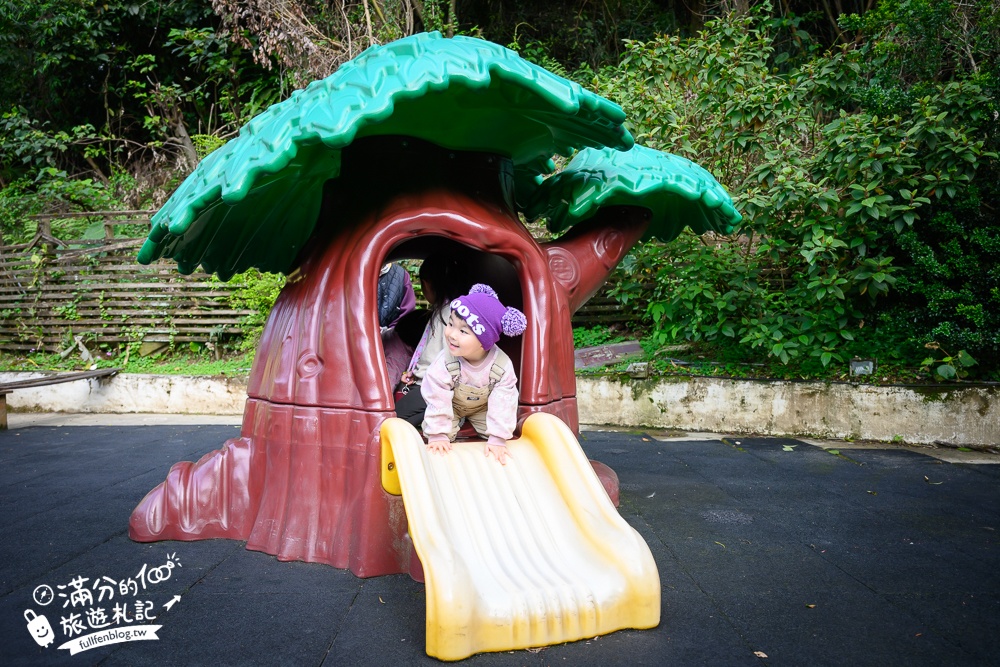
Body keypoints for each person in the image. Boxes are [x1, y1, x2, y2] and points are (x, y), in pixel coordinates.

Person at [420, 284, 527, 465]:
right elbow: (437, 396)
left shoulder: (501, 366)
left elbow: (504, 400)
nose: (451, 335)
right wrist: (438, 434)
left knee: (496, 438)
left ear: (484, 341)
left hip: (483, 409)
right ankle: (448, 428)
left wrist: (498, 438)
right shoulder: (445, 361)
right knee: (440, 436)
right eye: (451, 324)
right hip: (451, 406)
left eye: (463, 331)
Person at [394, 253, 472, 425]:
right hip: (428, 384)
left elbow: (452, 361)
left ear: (427, 283)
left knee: (392, 421)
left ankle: (451, 415)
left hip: (434, 388)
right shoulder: (446, 311)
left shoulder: (449, 315)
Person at [377, 262, 416, 330]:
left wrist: (389, 332)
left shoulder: (401, 275)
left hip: (391, 336)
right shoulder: (358, 272)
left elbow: (407, 314)